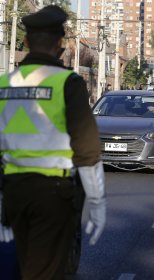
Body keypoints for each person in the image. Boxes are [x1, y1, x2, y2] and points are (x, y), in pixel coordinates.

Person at [0, 5, 106, 279]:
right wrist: (96, 200)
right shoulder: (67, 83)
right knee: (45, 271)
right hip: (53, 195)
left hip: (14, 193)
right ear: (60, 43)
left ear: (25, 42)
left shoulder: (4, 84)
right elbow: (87, 149)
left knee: (24, 265)